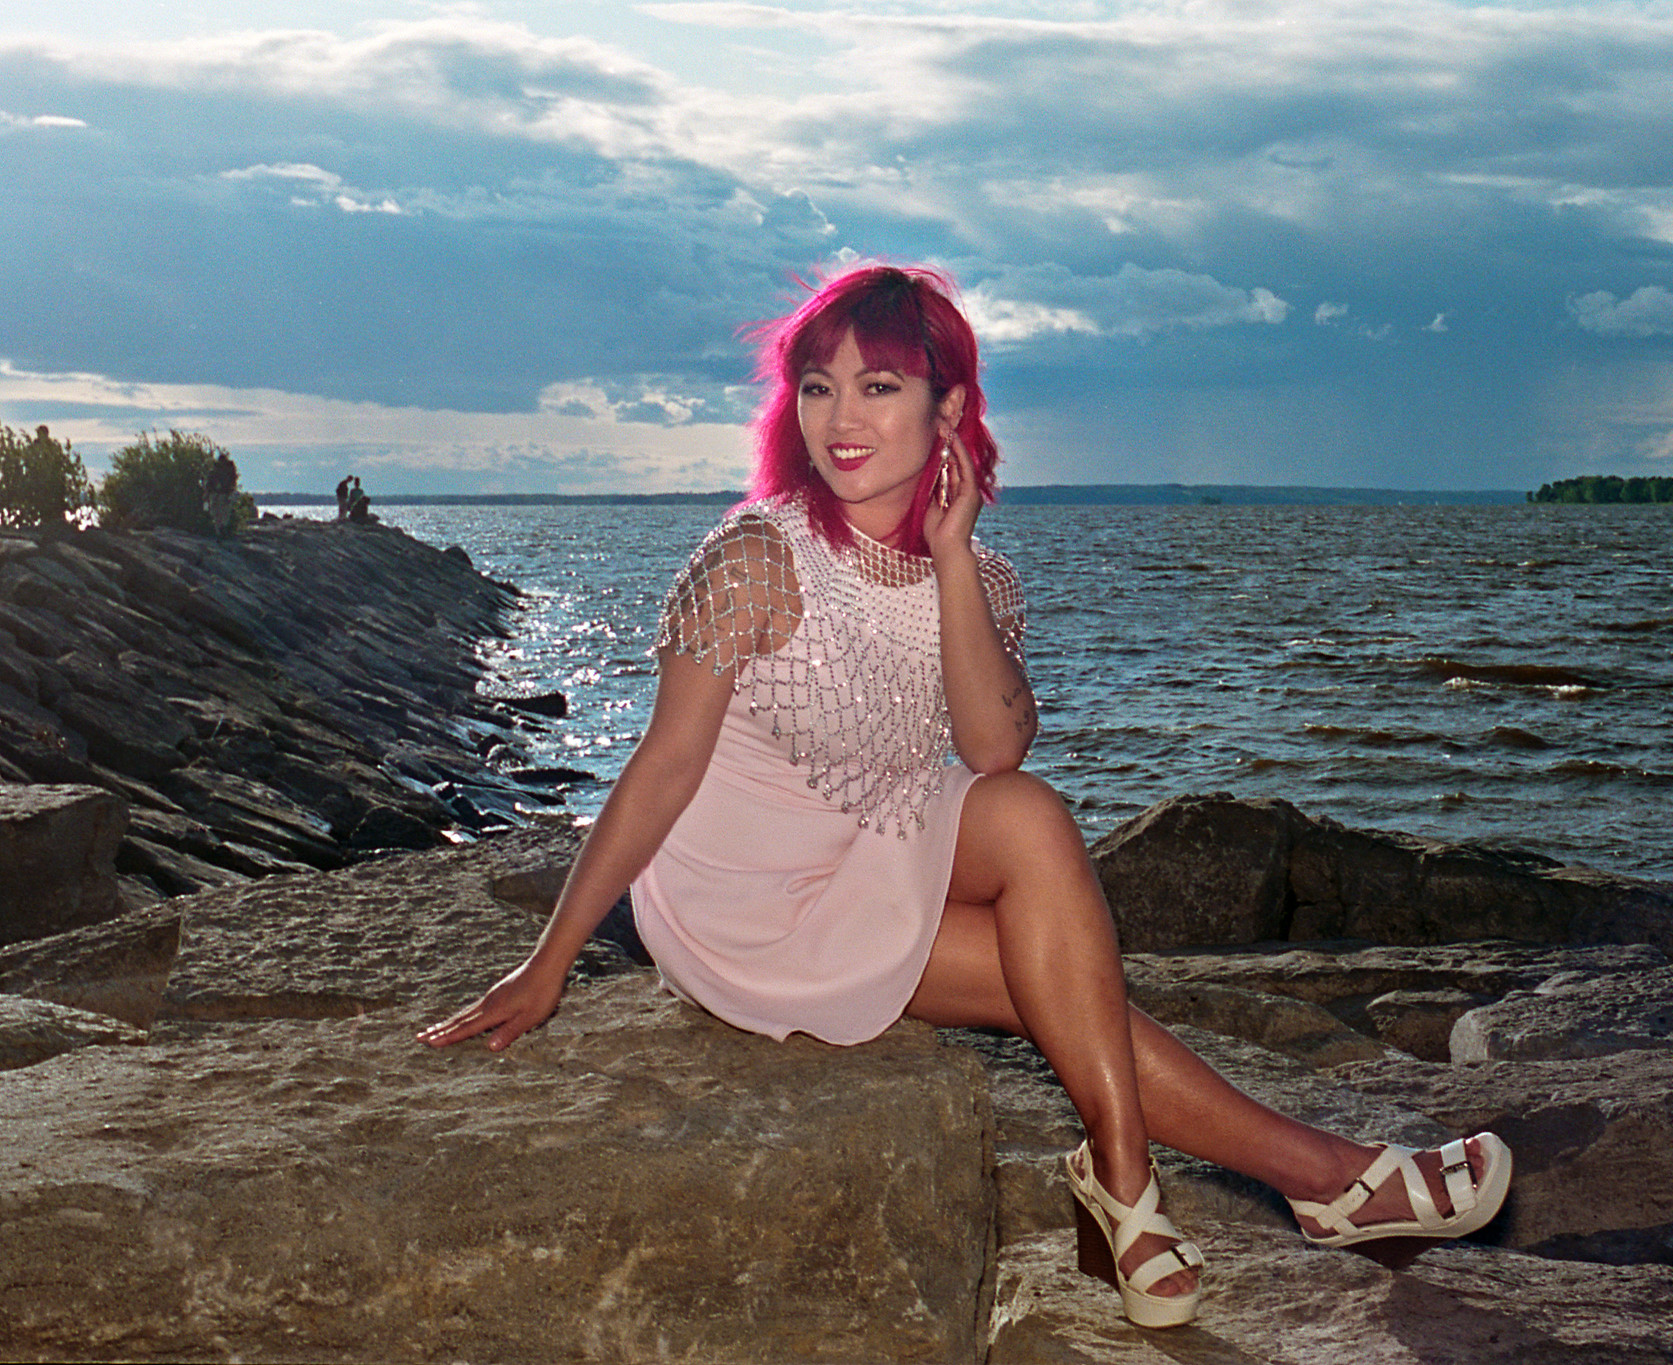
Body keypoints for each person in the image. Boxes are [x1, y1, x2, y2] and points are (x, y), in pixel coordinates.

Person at [419, 263, 1510, 1329]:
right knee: (1062, 986)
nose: (840, 419)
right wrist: (548, 963)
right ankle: (1297, 1180)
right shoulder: (754, 557)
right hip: (740, 906)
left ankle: (1154, 1174)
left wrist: (950, 555)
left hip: (866, 847)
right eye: (818, 387)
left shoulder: (977, 580)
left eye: (878, 386)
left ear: (948, 409)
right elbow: (659, 767)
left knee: (1030, 825)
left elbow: (993, 750)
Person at [203, 447, 239, 538]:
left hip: (217, 494)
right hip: (224, 494)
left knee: (217, 514)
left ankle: (219, 531)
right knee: (223, 514)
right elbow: (233, 482)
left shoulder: (215, 470)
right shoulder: (228, 470)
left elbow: (209, 483)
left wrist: (206, 494)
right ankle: (221, 530)